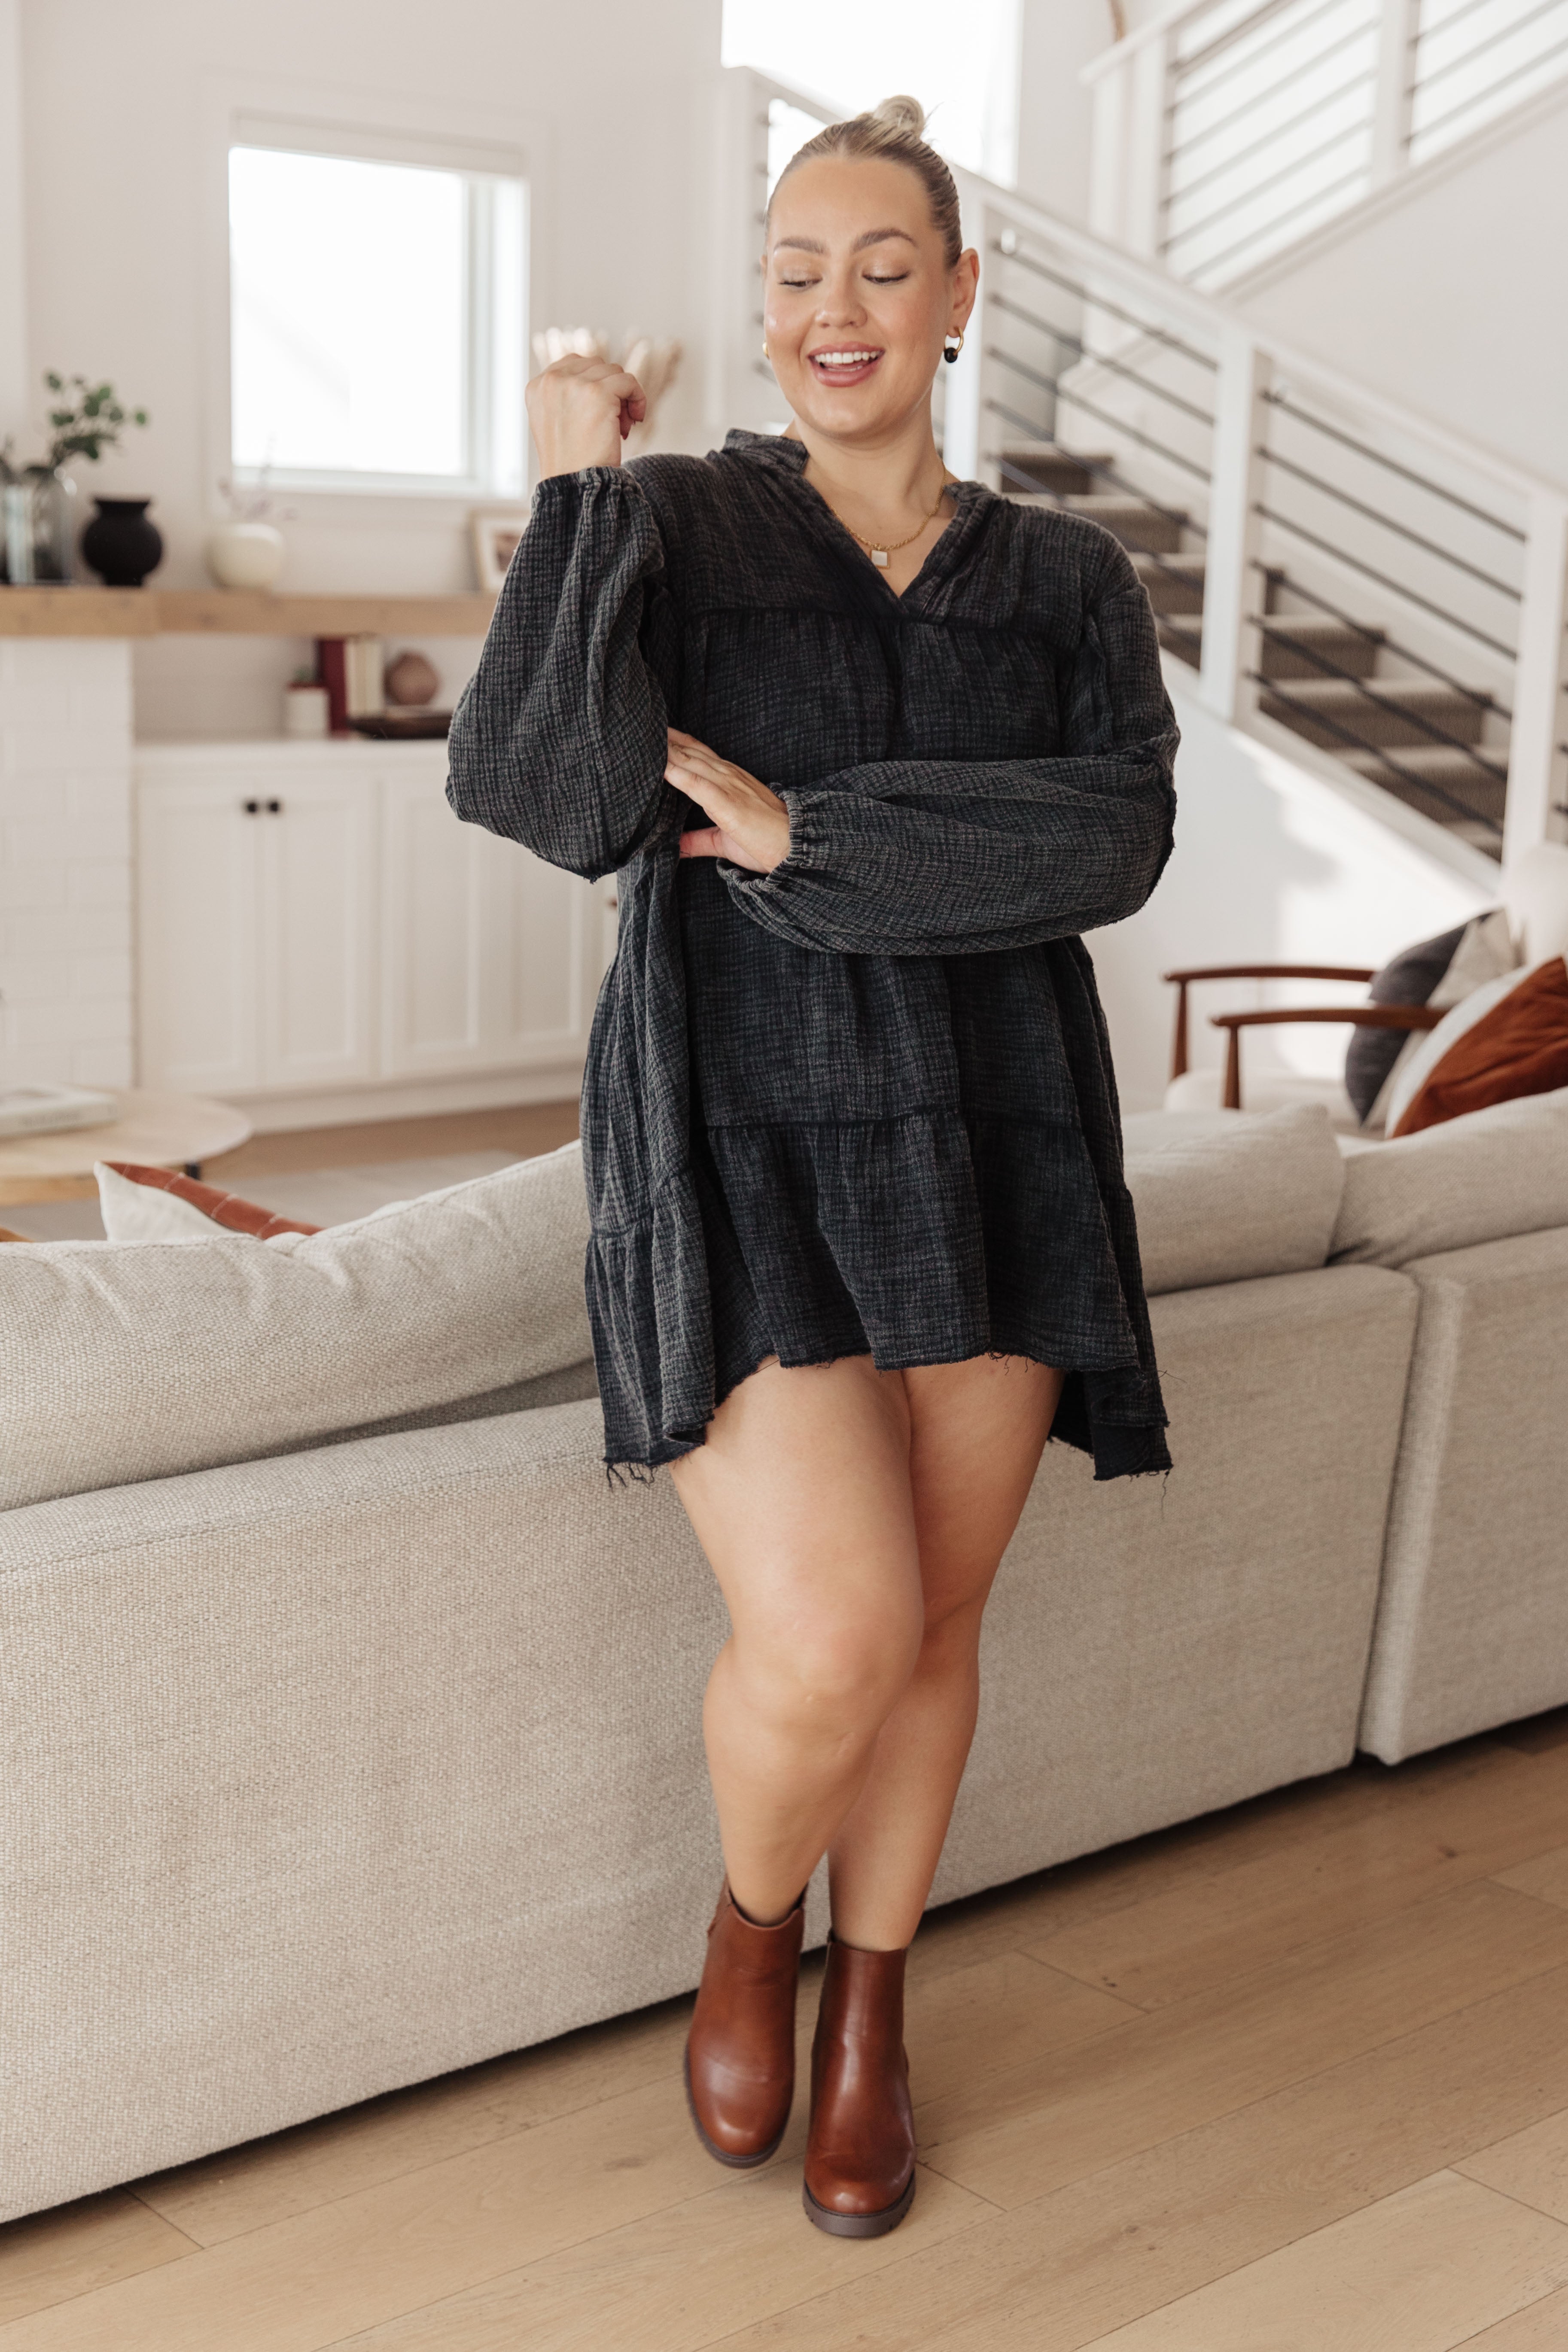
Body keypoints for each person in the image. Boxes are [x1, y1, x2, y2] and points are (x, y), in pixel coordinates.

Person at [446, 94, 1178, 2239]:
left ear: (960, 297)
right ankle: (751, 1924)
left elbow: (1109, 839)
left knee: (942, 1617)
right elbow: (546, 793)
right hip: (739, 1118)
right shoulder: (669, 520)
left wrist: (810, 840)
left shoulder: (1066, 577)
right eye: (791, 270)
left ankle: (875, 2004)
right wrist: (575, 495)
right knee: (838, 1625)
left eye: (879, 265)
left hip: (1002, 1124)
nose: (830, 307)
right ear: (757, 309)